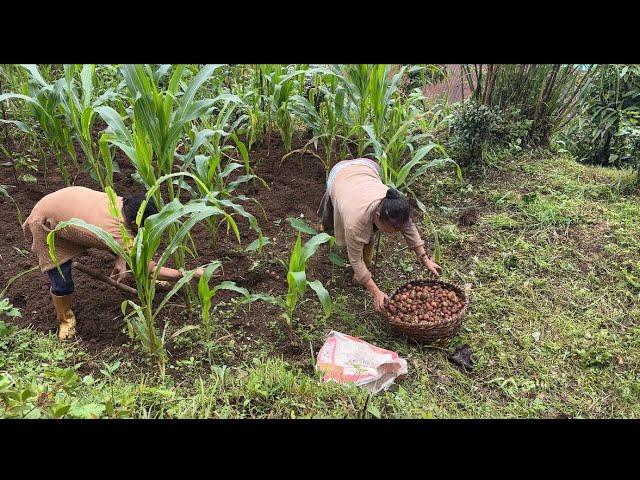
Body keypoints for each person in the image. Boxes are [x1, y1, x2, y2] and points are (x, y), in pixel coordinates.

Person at [22, 186, 205, 340]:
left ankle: (143, 279)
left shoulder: (120, 203)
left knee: (129, 252)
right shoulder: (111, 231)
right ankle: (65, 320)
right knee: (61, 278)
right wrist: (190, 274)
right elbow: (147, 265)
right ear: (135, 223)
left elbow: (122, 237)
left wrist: (122, 259)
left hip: (64, 204)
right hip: (45, 223)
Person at [318, 158, 442, 312]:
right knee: (331, 215)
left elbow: (409, 227)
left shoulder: (394, 204)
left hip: (367, 167)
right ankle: (324, 226)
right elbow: (355, 259)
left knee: (369, 236)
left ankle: (363, 272)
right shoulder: (355, 222)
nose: (396, 232)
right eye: (393, 229)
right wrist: (375, 292)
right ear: (377, 215)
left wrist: (425, 258)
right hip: (339, 175)